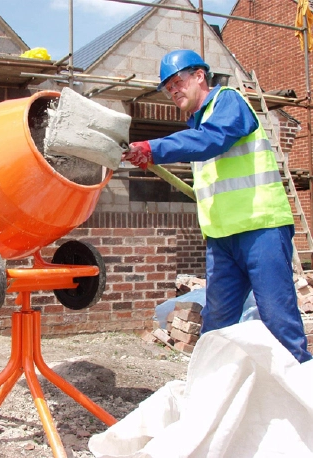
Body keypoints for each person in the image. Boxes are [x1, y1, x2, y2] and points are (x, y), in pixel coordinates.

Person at [124, 49, 312, 364]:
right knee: (216, 327)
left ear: (200, 76)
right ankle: (213, 388)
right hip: (221, 239)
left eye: (178, 82)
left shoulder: (228, 102)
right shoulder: (199, 126)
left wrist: (153, 148)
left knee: (278, 322)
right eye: (168, 88)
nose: (174, 91)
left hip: (260, 228)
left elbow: (211, 140)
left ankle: (300, 388)